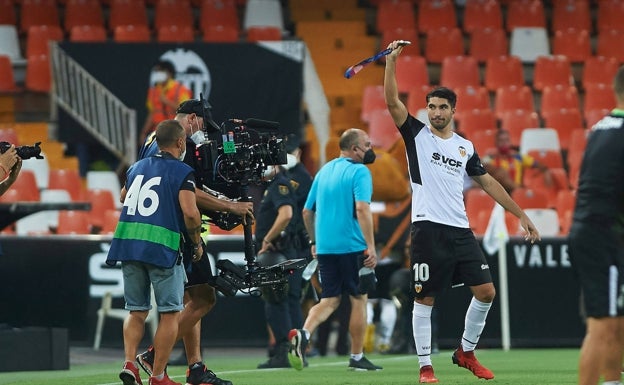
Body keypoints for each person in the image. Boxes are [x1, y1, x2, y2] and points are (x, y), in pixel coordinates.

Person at [384, 40, 541, 383]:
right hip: (427, 229)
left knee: (486, 292)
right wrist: (391, 62)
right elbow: (391, 101)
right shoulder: (416, 135)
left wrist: (521, 215)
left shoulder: (464, 146)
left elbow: (488, 183)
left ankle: (465, 352)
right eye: (431, 107)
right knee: (424, 298)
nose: (435, 112)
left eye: (442, 107)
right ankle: (426, 367)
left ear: (453, 110)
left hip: (459, 230)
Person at [136, 100, 252, 385]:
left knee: (194, 298)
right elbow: (188, 192)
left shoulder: (154, 138)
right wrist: (229, 206)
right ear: (191, 119)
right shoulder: (179, 143)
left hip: (161, 229)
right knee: (204, 298)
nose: (203, 133)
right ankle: (154, 355)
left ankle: (195, 368)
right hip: (179, 233)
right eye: (202, 124)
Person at [106, 119, 203, 385]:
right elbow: (191, 214)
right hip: (161, 245)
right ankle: (158, 375)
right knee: (171, 313)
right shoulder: (183, 171)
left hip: (128, 242)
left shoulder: (136, 167)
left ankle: (129, 363)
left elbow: (124, 196)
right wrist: (195, 242)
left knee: (136, 311)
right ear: (181, 142)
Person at [288, 128, 383, 372]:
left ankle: (304, 334)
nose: (370, 149)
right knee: (359, 299)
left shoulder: (324, 171)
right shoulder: (360, 172)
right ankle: (357, 356)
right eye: (367, 145)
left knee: (329, 300)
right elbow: (362, 210)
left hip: (326, 247)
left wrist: (314, 242)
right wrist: (370, 246)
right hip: (353, 245)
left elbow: (307, 211)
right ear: (355, 149)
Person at [568, 66, 624, 385]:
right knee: (601, 325)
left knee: (616, 321)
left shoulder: (601, 128)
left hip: (595, 231)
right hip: (602, 235)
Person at [255, 162, 304, 368]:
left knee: (276, 301)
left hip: (278, 252)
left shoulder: (279, 185)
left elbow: (286, 214)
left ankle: (283, 353)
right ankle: (297, 353)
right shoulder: (285, 185)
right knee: (291, 300)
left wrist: (267, 239)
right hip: (289, 250)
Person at [481, 129, 552, 194]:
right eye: (501, 141)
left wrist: (546, 172)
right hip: (497, 193)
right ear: (496, 143)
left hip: (516, 193)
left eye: (506, 140)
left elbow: (540, 166)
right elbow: (480, 166)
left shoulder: (518, 157)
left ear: (510, 142)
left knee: (502, 173)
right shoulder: (491, 157)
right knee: (499, 173)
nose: (504, 143)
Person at [141, 60, 192, 144]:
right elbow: (152, 114)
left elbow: (186, 111)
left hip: (175, 133)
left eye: (160, 71)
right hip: (157, 134)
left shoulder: (181, 90)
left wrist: (167, 101)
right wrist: (144, 133)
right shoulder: (153, 91)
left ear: (169, 73)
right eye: (156, 71)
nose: (158, 74)